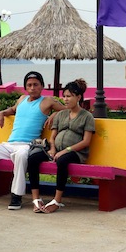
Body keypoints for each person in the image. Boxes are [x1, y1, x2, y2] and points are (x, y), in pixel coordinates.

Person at [0, 71, 65, 210]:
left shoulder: (47, 101)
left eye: (36, 85)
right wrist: (1, 113)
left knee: (21, 156)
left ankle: (16, 195)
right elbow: (13, 109)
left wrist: (55, 113)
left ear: (42, 86)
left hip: (27, 145)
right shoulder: (21, 99)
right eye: (29, 85)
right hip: (9, 144)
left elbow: (68, 110)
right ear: (25, 87)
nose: (32, 88)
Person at [27, 79, 95, 214]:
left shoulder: (87, 116)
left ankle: (56, 200)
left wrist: (65, 151)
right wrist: (52, 149)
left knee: (62, 161)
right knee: (33, 158)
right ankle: (36, 199)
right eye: (64, 96)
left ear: (78, 97)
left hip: (76, 153)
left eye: (69, 96)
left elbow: (86, 141)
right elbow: (52, 137)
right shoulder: (60, 114)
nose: (65, 99)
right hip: (56, 150)